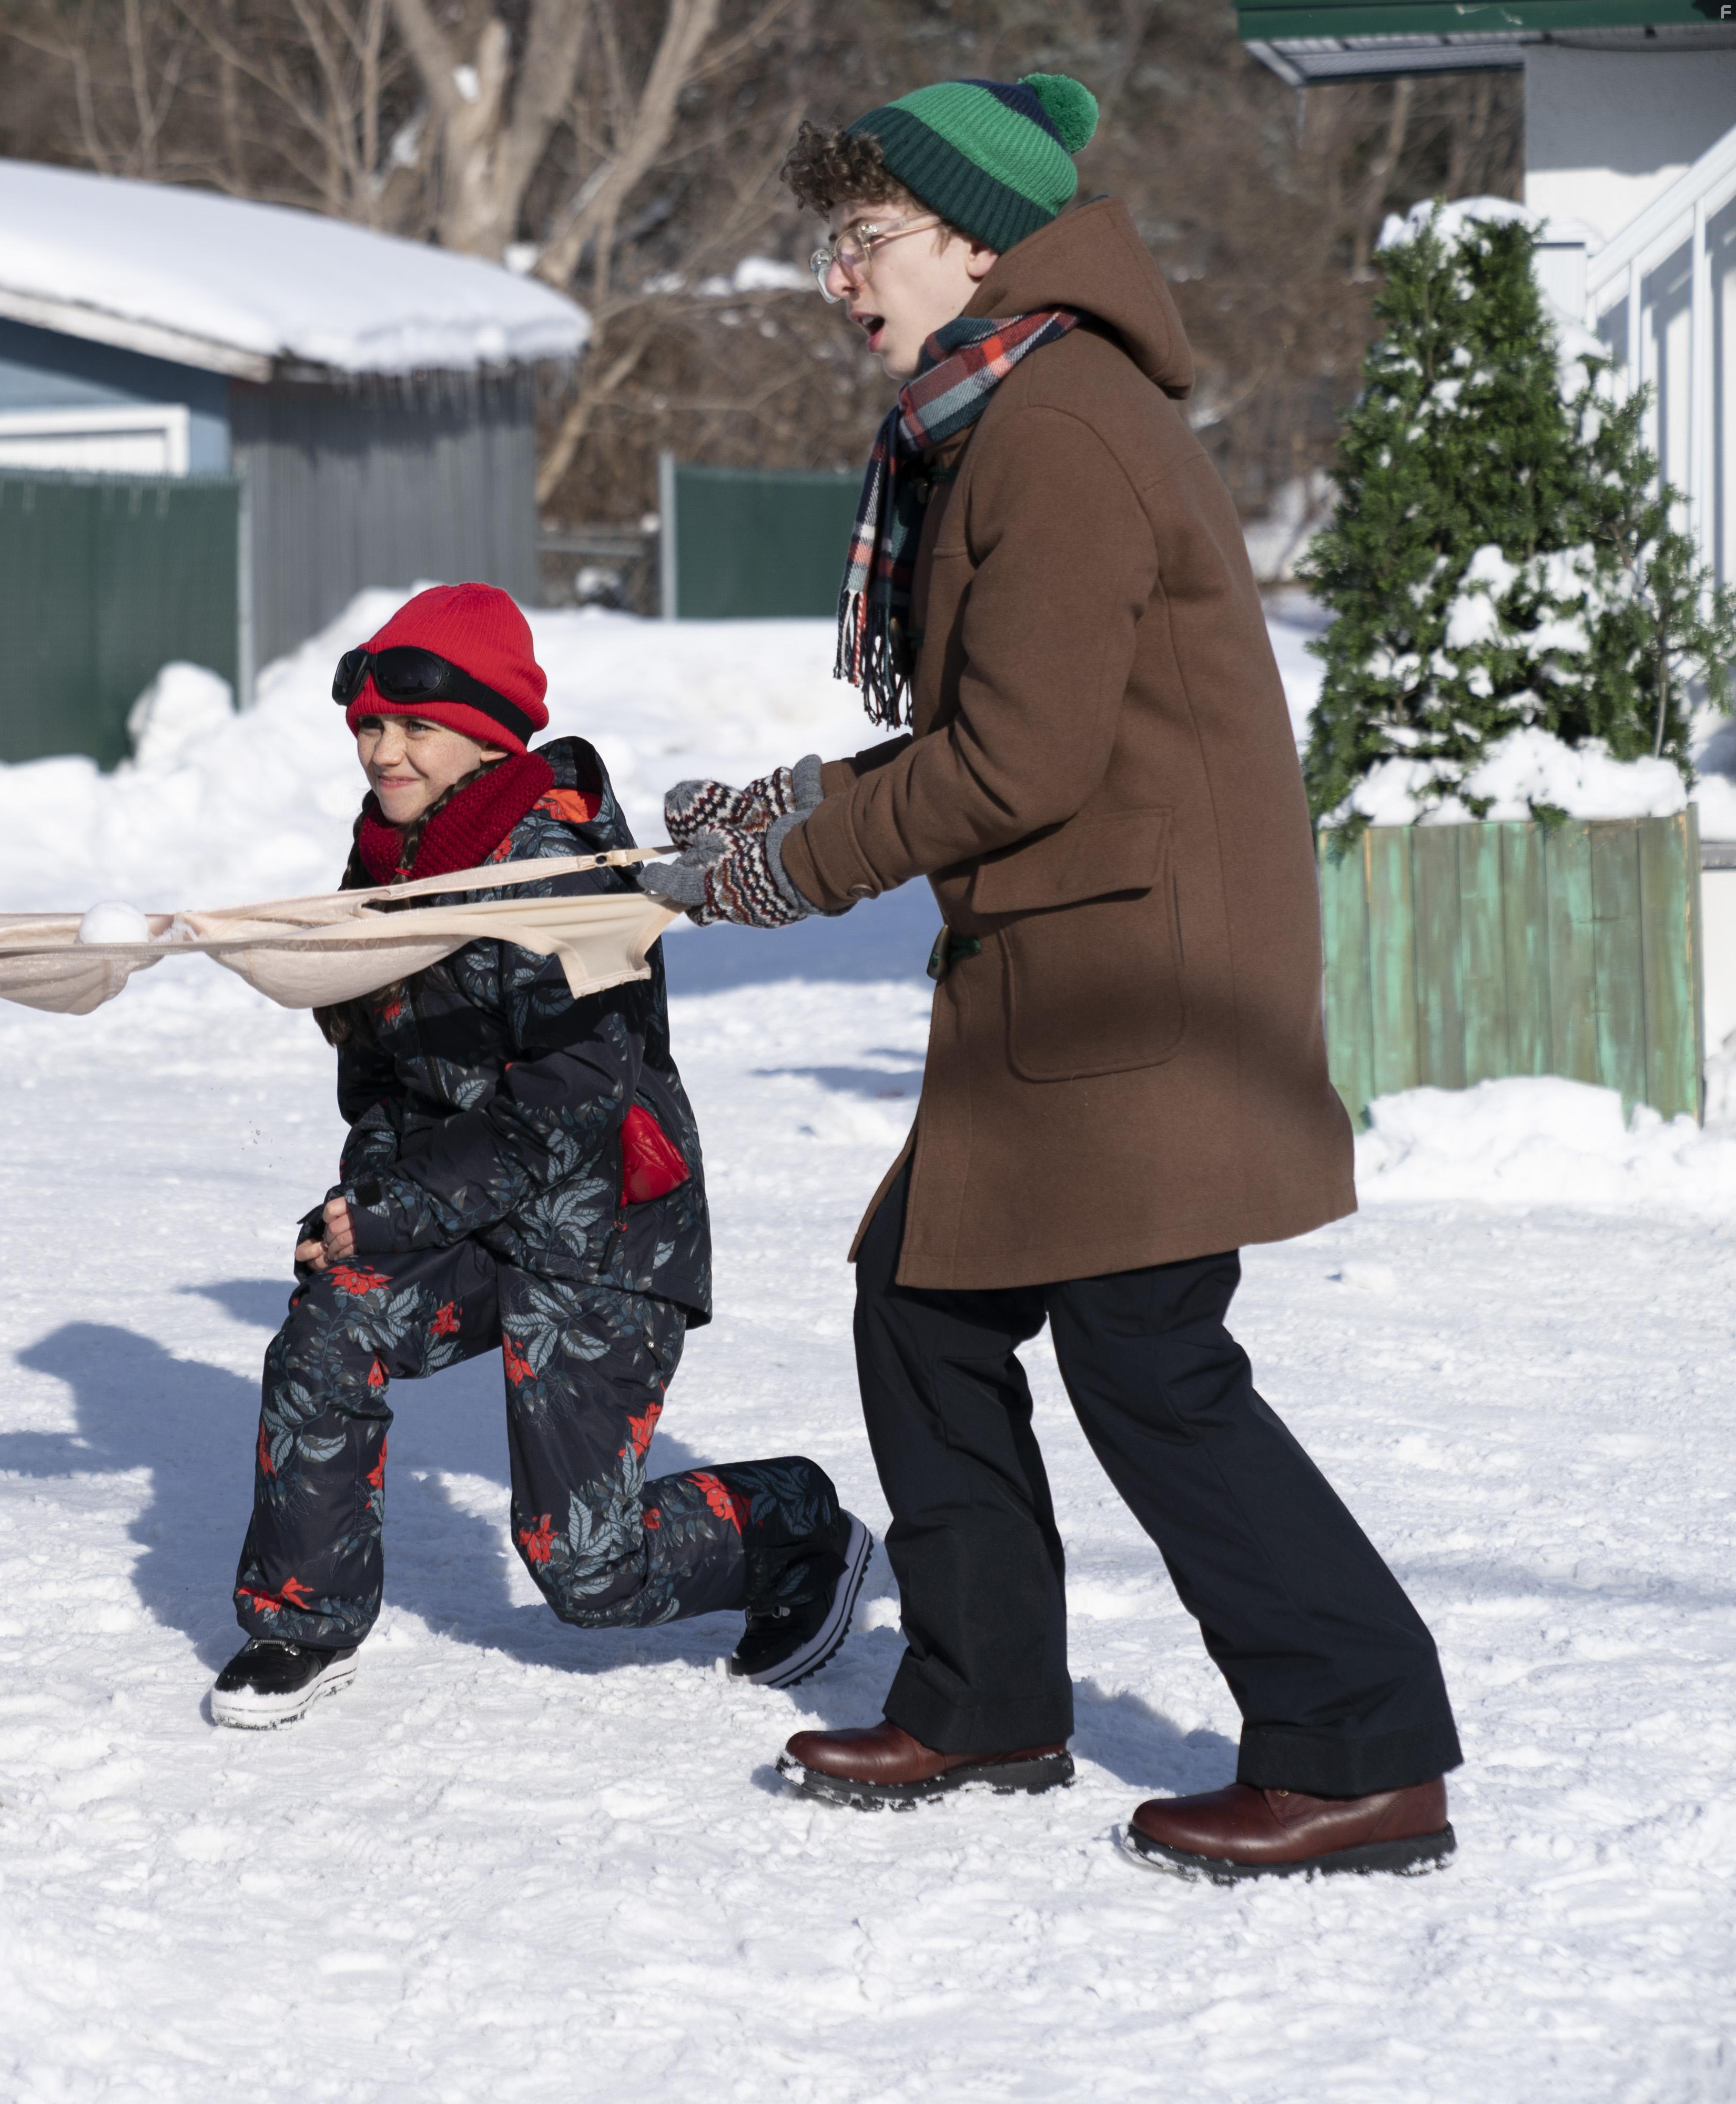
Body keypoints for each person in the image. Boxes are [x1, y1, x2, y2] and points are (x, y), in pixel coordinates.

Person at [644, 75, 1460, 1880]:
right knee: (923, 1306)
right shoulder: (1007, 412)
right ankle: (988, 1697)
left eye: (865, 239)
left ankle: (1363, 1747)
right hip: (1070, 969)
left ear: (977, 241)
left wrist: (794, 866)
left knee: (1150, 1359)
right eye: (832, 243)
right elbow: (1002, 722)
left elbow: (1016, 762)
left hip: (1138, 986)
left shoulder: (1059, 429)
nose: (839, 277)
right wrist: (787, 809)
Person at [212, 582, 872, 1729]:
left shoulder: (563, 871)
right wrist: (367, 1203)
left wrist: (404, 1205)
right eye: (371, 725)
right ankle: (301, 1623)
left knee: (588, 1569)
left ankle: (798, 1525)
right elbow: (383, 1076)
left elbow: (573, 1098)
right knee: (330, 1325)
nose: (384, 750)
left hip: (601, 1228)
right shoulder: (389, 862)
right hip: (466, 1214)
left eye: (415, 726)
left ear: (487, 736)